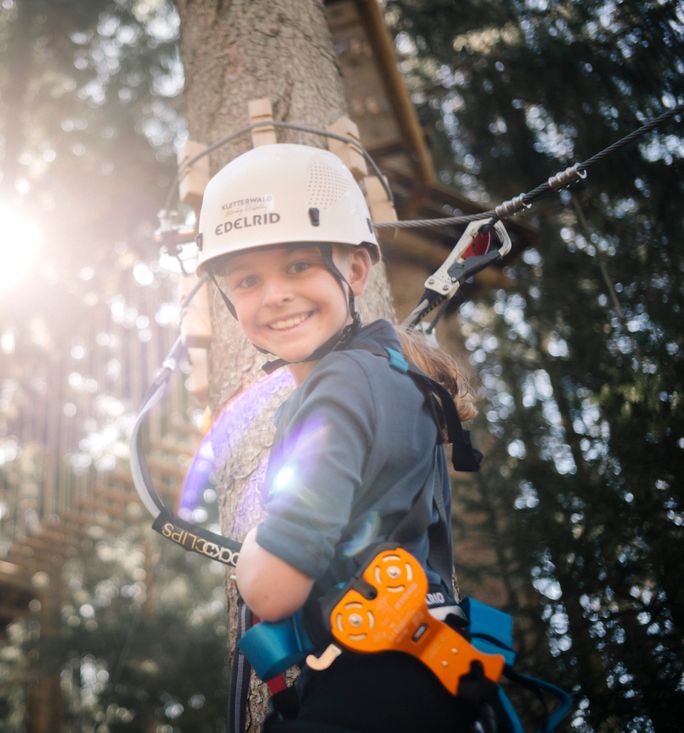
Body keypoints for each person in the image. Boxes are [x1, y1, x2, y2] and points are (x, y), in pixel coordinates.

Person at [195, 143, 481, 732]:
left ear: (355, 268)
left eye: (298, 265)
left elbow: (272, 591)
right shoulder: (389, 372)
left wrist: (256, 550)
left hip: (375, 689)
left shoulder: (340, 387)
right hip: (420, 678)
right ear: (228, 298)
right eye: (247, 279)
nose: (274, 294)